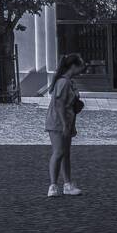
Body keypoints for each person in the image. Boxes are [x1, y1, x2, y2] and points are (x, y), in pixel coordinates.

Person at [45, 54, 85, 197]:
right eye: (81, 65)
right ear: (73, 66)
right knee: (59, 152)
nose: (82, 68)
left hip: (66, 121)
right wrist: (64, 125)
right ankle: (53, 186)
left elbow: (68, 103)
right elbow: (60, 104)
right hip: (58, 122)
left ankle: (67, 184)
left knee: (65, 153)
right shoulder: (64, 82)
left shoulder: (69, 82)